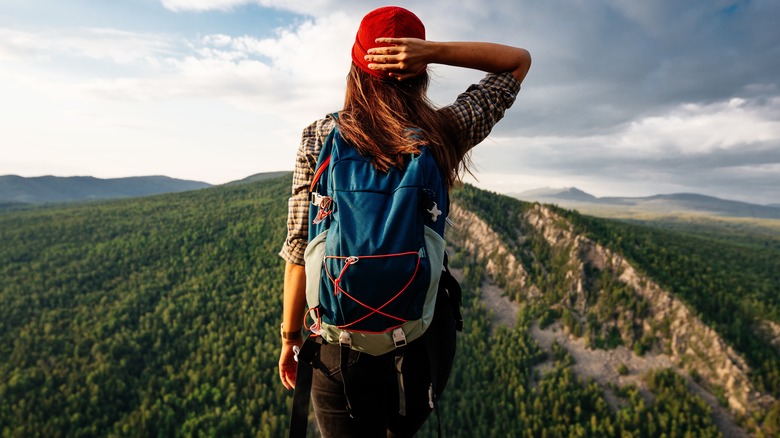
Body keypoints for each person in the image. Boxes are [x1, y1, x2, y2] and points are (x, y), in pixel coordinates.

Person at [278, 6, 530, 437]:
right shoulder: (444, 131)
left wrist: (289, 337)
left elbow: (300, 248)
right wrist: (435, 51)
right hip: (419, 342)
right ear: (420, 70)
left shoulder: (320, 136)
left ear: (356, 68)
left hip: (338, 350)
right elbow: (517, 62)